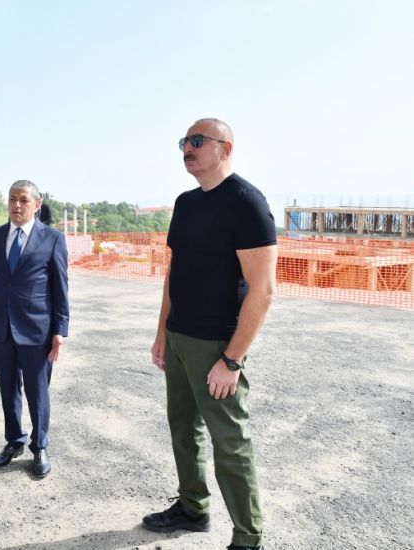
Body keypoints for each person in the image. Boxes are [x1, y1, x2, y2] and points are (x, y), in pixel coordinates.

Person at [143, 119, 277, 550]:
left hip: (217, 345)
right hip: (179, 337)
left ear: (226, 148)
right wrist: (162, 333)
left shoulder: (247, 203)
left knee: (230, 443)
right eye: (184, 141)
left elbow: (263, 291)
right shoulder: (185, 204)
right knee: (183, 430)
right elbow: (174, 273)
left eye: (198, 141)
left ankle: (248, 538)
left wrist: (232, 360)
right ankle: (192, 508)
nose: (188, 148)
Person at [0, 179, 69, 479]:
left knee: (38, 393)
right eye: (12, 199)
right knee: (8, 390)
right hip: (2, 328)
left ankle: (40, 446)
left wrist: (60, 330)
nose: (17, 205)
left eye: (23, 200)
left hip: (37, 330)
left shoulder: (52, 239)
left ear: (37, 204)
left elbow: (60, 287)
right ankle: (14, 440)